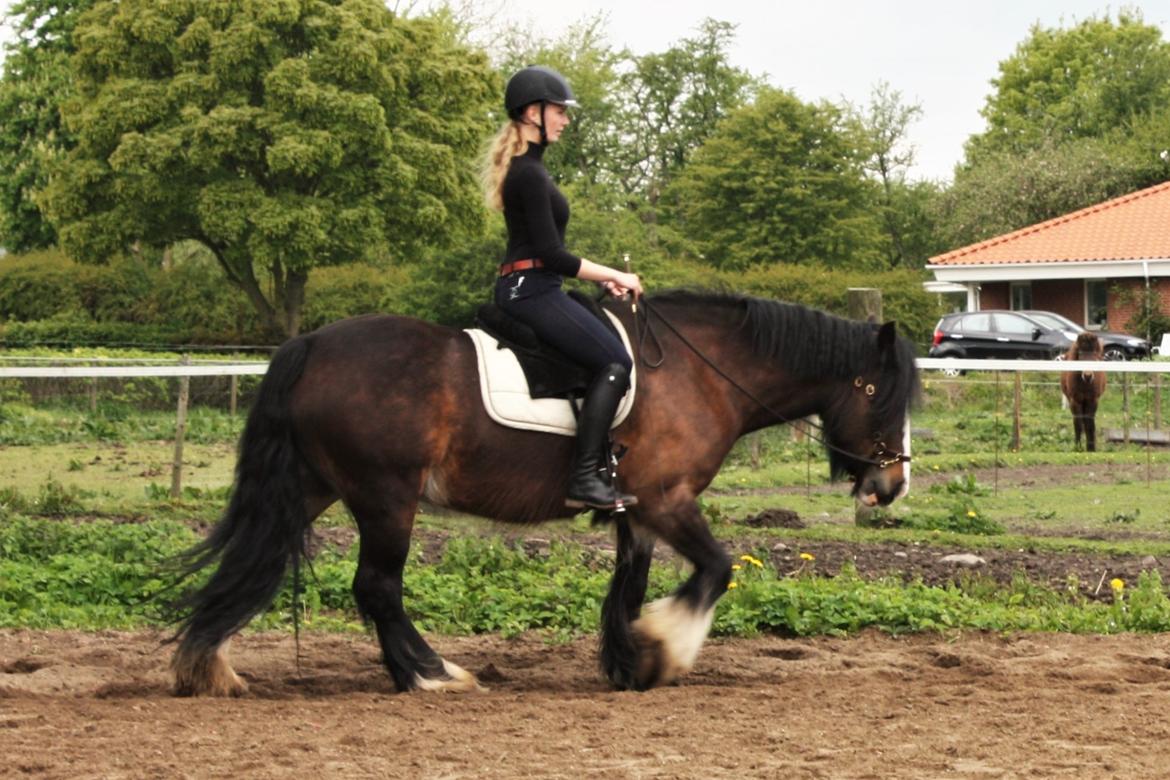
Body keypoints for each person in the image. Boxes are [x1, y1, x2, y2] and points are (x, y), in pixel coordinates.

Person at [481, 65, 643, 511]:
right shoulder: (529, 175)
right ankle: (584, 478)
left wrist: (604, 276)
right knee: (614, 361)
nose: (566, 120)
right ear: (533, 113)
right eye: (559, 111)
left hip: (537, 284)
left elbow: (551, 256)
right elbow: (553, 255)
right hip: (530, 289)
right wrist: (619, 274)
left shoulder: (532, 170)